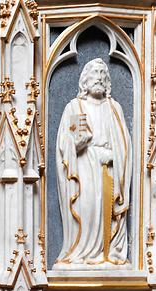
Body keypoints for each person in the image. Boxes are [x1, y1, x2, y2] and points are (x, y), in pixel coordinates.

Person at [55, 59, 132, 267]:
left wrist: (114, 154)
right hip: (83, 167)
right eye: (94, 73)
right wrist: (76, 143)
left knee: (105, 208)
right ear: (85, 80)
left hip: (108, 168)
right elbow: (65, 141)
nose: (99, 77)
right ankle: (82, 251)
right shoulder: (75, 106)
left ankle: (105, 253)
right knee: (87, 205)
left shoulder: (113, 107)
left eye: (102, 73)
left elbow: (124, 143)